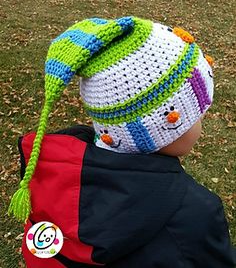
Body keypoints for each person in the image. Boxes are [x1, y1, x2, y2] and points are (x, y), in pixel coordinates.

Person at [9, 16, 236, 267]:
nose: (202, 124)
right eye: (197, 115)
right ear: (165, 126)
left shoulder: (53, 173)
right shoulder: (196, 214)